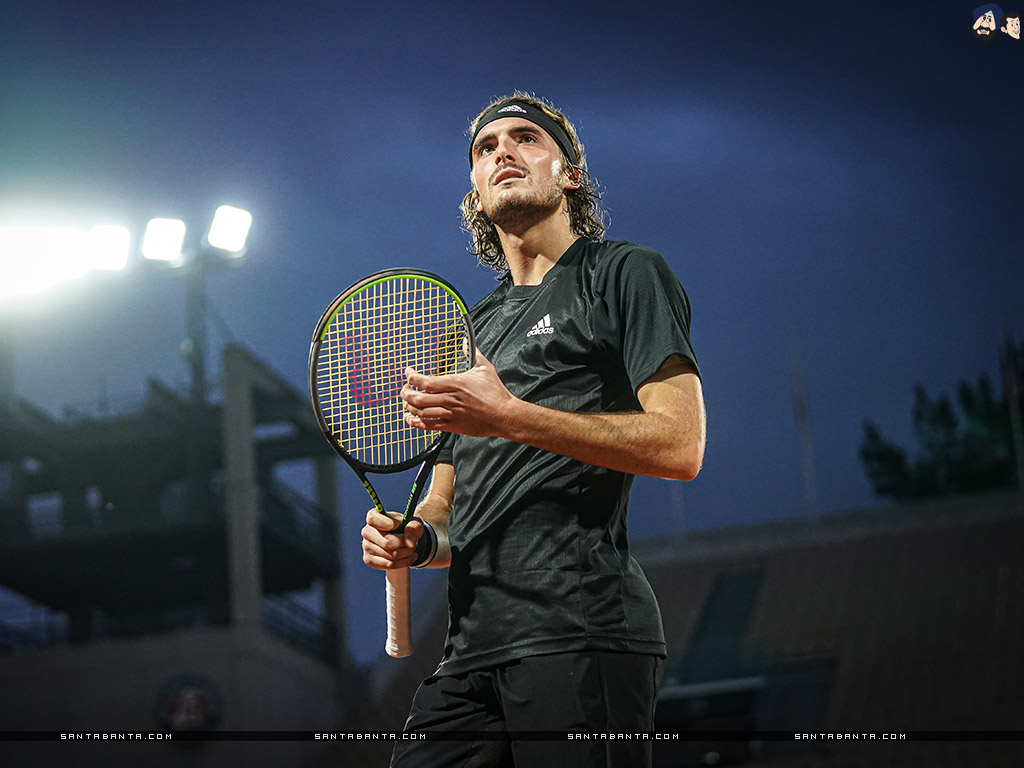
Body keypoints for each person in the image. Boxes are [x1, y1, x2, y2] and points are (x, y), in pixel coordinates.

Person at [361, 92, 707, 768]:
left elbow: (680, 446)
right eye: (486, 149)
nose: (503, 153)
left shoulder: (623, 274)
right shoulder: (466, 331)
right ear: (475, 191)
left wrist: (510, 416)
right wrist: (416, 538)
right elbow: (444, 505)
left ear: (570, 173)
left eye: (525, 138)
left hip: (581, 632)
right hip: (470, 654)